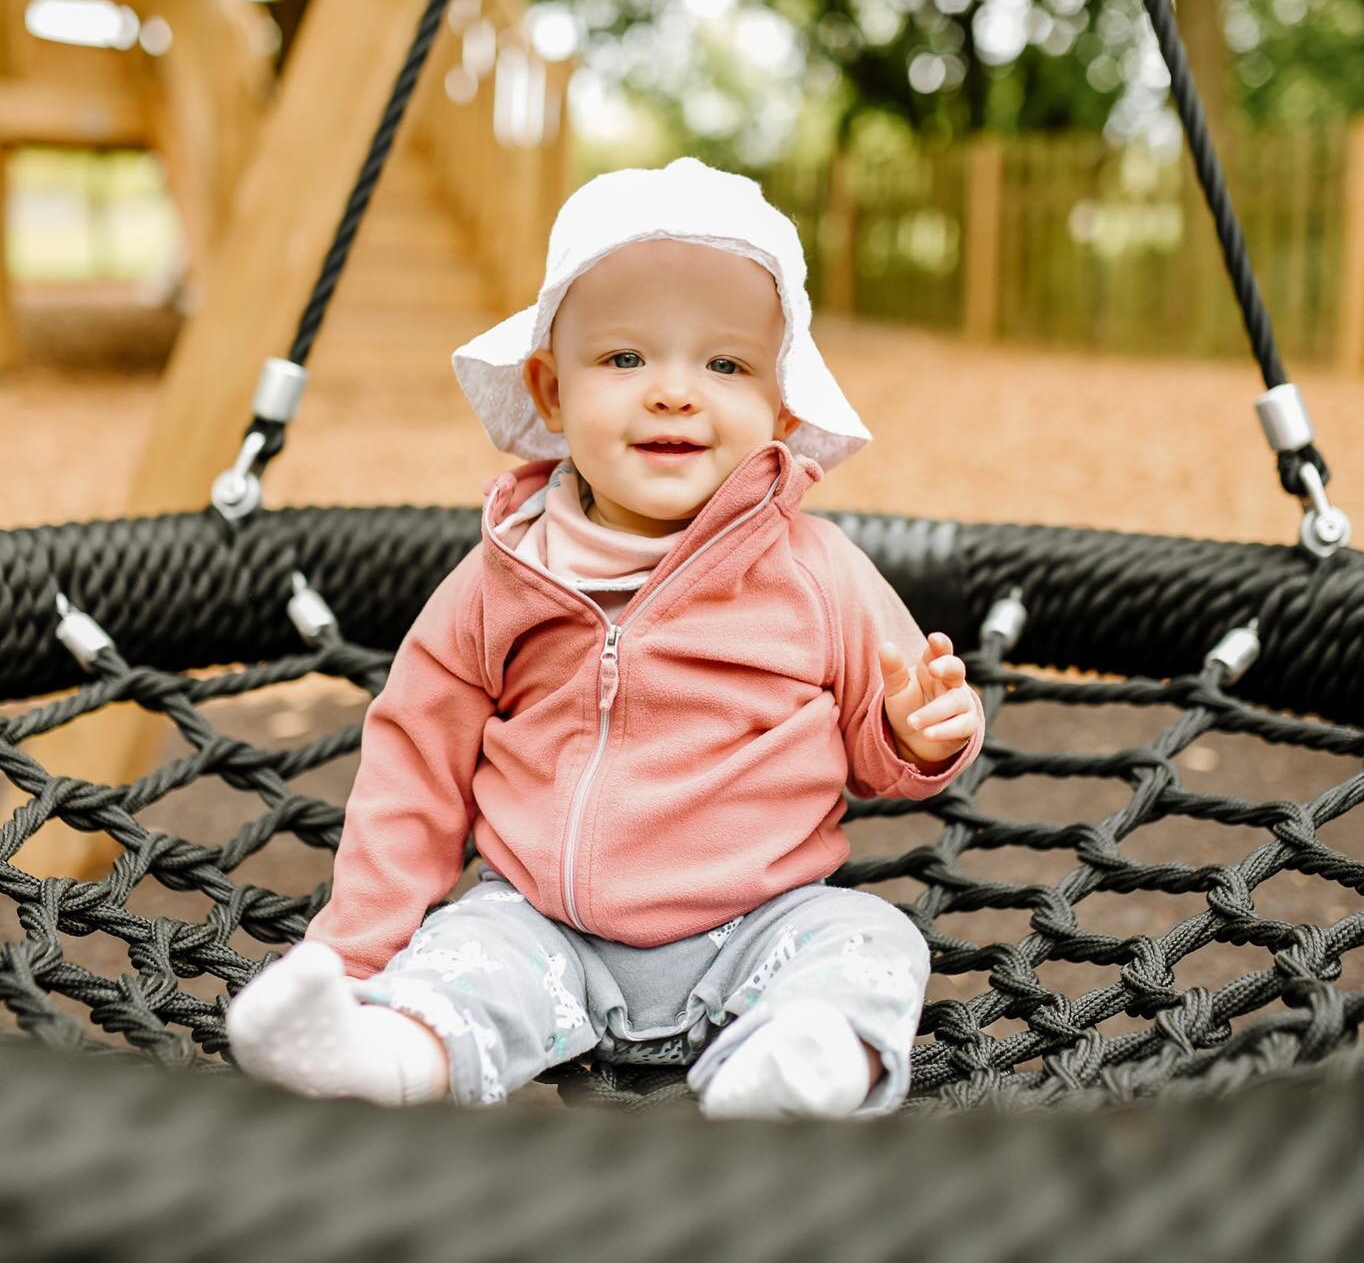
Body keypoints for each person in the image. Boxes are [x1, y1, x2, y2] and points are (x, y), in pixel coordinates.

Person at [226, 157, 984, 1119]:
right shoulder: (503, 578)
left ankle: (802, 1064)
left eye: (725, 364)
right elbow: (412, 767)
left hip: (761, 925)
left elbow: (880, 744)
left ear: (782, 411)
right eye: (625, 359)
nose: (674, 393)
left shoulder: (815, 568)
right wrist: (347, 954)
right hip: (542, 932)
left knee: (873, 941)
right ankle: (378, 1054)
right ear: (549, 391)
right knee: (461, 963)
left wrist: (919, 731)